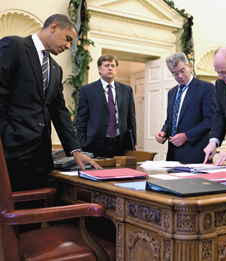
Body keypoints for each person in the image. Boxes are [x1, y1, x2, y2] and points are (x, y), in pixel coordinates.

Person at [0, 14, 101, 192]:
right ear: (53, 27)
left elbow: (59, 111)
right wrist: (6, 135)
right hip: (11, 151)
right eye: (68, 39)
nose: (69, 46)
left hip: (40, 157)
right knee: (11, 215)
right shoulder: (13, 46)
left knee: (36, 213)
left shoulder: (56, 69)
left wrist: (75, 151)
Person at [155, 52, 216, 163]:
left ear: (189, 66)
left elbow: (210, 121)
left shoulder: (206, 88)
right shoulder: (172, 92)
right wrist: (163, 132)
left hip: (195, 152)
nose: (180, 76)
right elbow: (170, 120)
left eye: (182, 71)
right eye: (175, 73)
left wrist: (186, 136)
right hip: (173, 152)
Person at [76, 54, 136, 158]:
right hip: (95, 144)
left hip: (120, 144)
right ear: (99, 69)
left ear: (116, 69)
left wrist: (133, 142)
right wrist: (82, 143)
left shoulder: (127, 90)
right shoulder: (87, 90)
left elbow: (131, 119)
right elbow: (81, 120)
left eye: (113, 66)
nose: (110, 68)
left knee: (120, 174)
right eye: (106, 65)